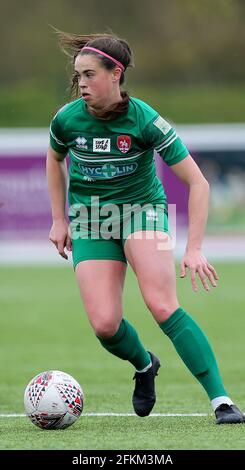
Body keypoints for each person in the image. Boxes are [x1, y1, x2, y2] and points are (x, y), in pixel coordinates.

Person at [46, 31, 244, 424]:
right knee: (105, 325)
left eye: (89, 75)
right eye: (78, 76)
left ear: (115, 73)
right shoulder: (67, 120)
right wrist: (58, 218)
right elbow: (54, 160)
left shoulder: (146, 120)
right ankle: (143, 365)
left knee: (162, 304)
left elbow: (199, 182)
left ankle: (221, 400)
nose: (81, 84)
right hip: (91, 218)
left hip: (142, 211)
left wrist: (194, 247)